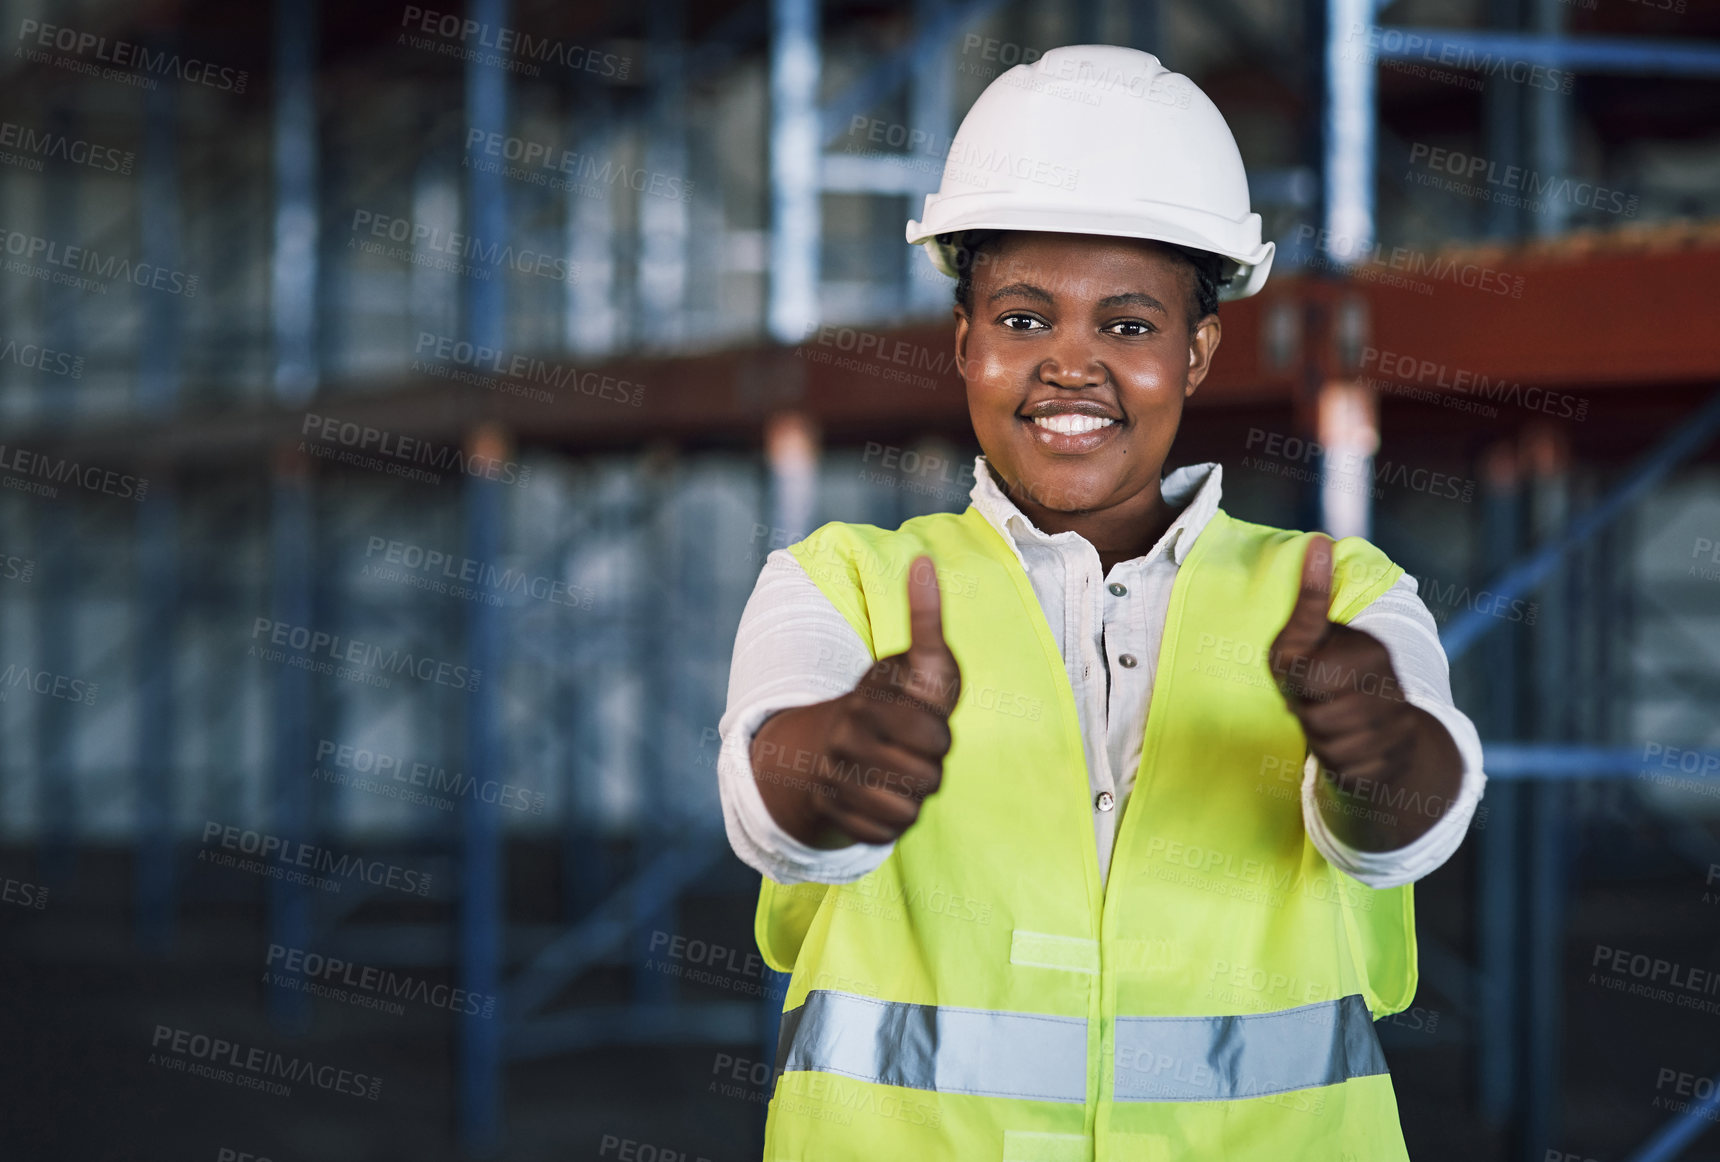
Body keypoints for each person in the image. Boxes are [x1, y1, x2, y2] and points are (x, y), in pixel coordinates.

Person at [717, 43, 1485, 1161]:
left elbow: (1403, 834)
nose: (1070, 364)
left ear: (1197, 353)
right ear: (966, 342)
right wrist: (836, 768)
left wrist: (1377, 758)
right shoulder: (843, 581)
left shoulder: (1338, 595)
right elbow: (766, 802)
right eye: (1024, 321)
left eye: (1127, 326)